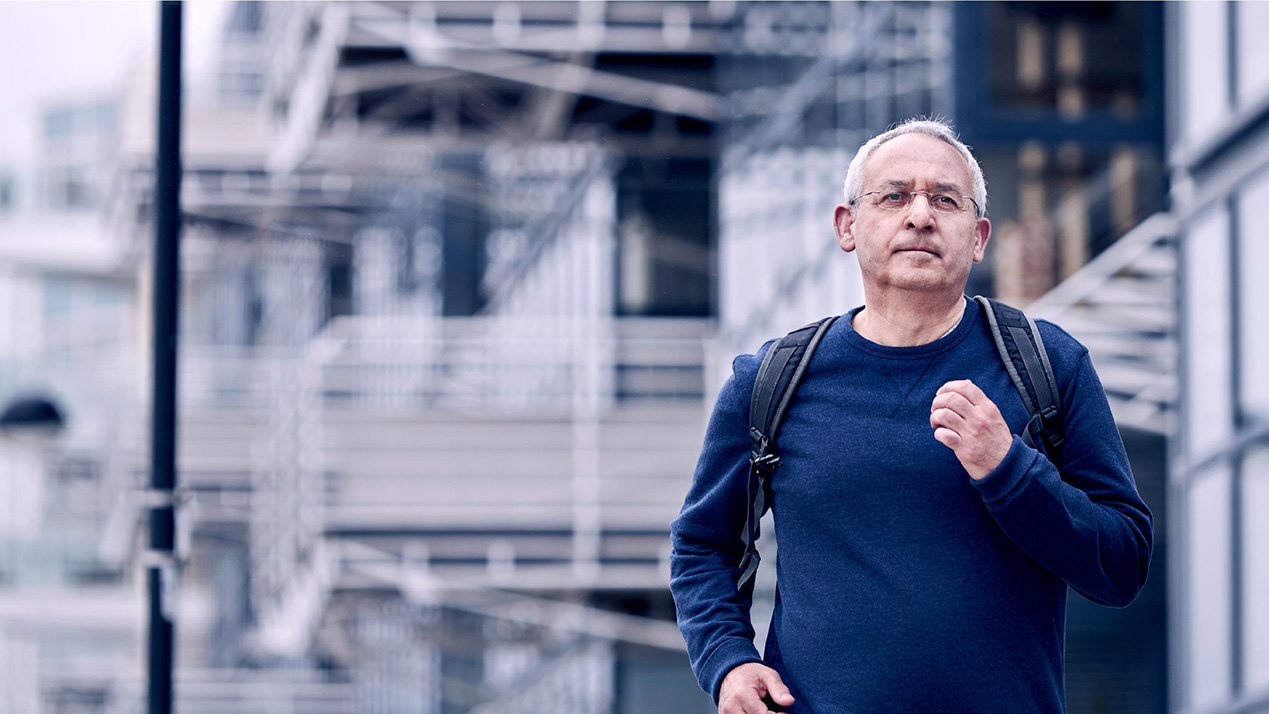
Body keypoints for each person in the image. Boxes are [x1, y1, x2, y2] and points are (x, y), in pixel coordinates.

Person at [669, 118, 1153, 713]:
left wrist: (1009, 470)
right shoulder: (771, 382)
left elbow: (1122, 565)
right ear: (849, 226)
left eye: (944, 200)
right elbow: (701, 546)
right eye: (894, 196)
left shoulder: (1047, 365)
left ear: (978, 238)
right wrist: (728, 662)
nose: (920, 215)